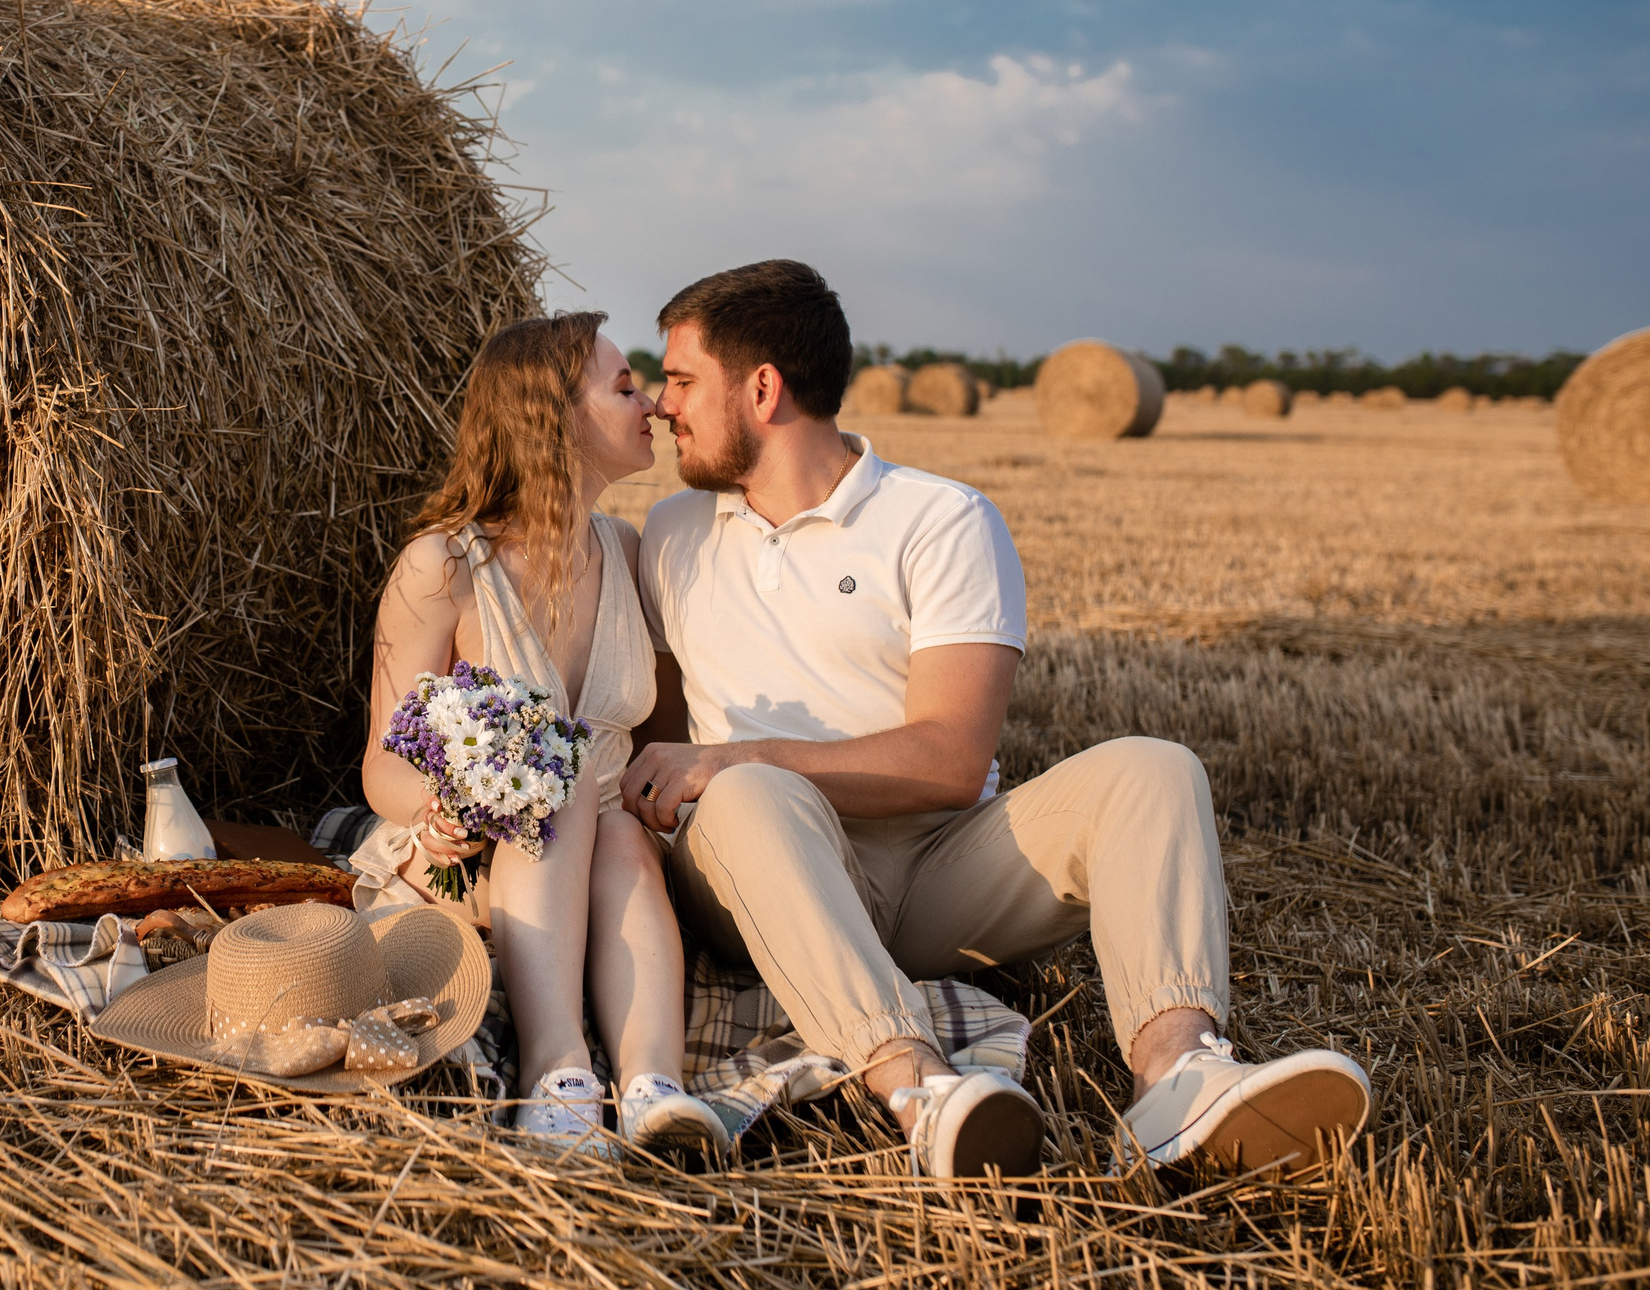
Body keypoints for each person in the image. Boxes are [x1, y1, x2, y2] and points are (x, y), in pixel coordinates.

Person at [623, 260, 1373, 1181]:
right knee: (743, 794)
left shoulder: (940, 521)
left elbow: (947, 757)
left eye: (683, 380)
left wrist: (734, 753)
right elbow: (662, 755)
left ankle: (1178, 1074)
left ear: (763, 389)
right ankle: (918, 1088)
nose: (663, 404)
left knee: (1154, 765)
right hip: (759, 864)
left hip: (938, 866)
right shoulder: (671, 534)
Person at [356, 312, 730, 1160]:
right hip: (471, 854)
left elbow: (653, 747)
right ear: (553, 414)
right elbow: (383, 761)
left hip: (607, 860)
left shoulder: (628, 551)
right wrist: (443, 808)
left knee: (623, 836)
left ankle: (652, 1087)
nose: (655, 405)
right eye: (626, 385)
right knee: (552, 801)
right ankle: (559, 1070)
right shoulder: (443, 566)